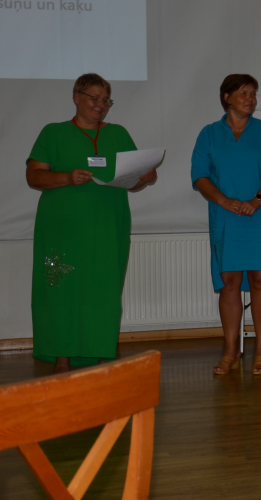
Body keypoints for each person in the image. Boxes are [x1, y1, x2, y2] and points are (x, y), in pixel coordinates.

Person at [26, 74, 157, 372]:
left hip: (107, 227)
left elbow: (132, 181)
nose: (101, 105)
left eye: (106, 100)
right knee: (61, 289)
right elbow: (34, 176)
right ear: (76, 97)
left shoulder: (119, 134)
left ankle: (102, 356)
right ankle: (62, 358)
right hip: (61, 229)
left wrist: (145, 178)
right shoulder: (53, 132)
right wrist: (67, 177)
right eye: (94, 98)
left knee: (104, 291)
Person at [192, 74, 261, 376]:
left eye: (253, 93)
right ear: (227, 97)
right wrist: (223, 200)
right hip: (226, 218)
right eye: (244, 93)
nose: (250, 98)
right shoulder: (209, 133)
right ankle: (230, 351)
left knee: (260, 281)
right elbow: (199, 176)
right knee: (229, 284)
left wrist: (256, 200)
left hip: (259, 216)